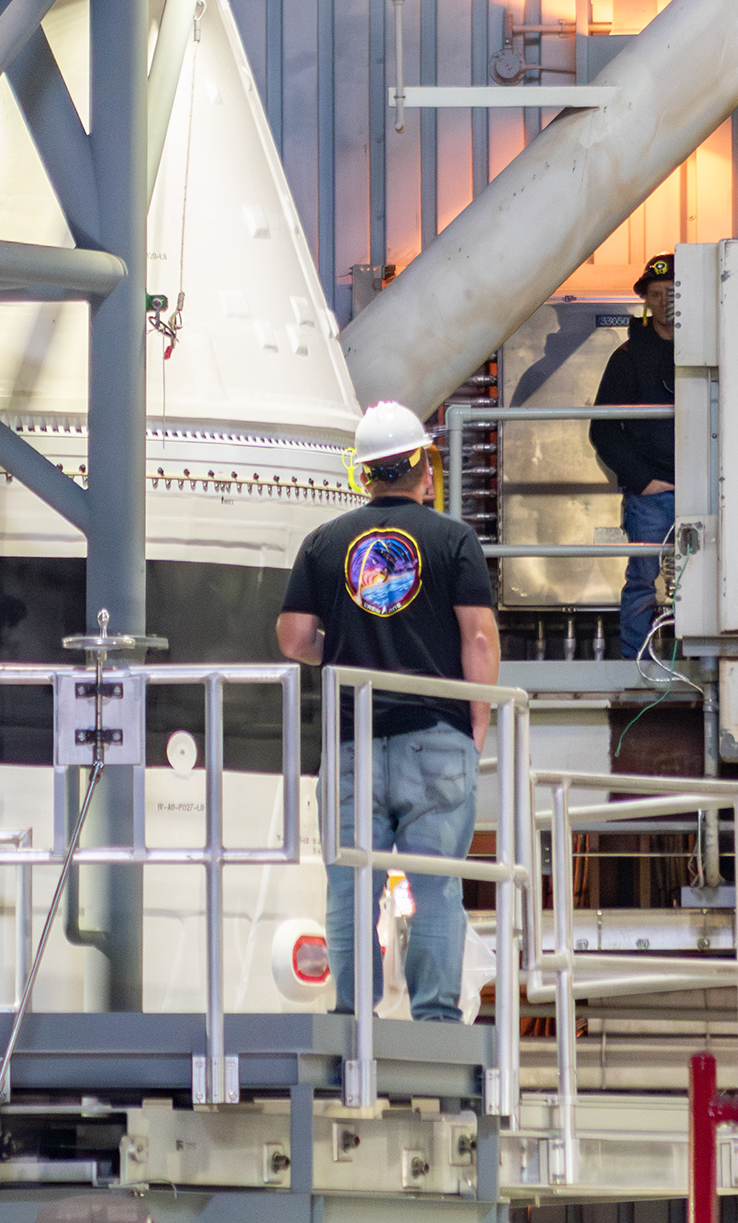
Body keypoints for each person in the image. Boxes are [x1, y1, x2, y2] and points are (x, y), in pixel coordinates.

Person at [281, 399, 501, 1023]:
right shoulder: (453, 539)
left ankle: (353, 1016)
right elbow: (479, 639)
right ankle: (433, 1018)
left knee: (352, 887)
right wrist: (475, 723)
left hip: (352, 743)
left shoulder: (325, 542)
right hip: (437, 735)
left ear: (365, 473)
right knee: (433, 887)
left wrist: (341, 648)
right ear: (423, 468)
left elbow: (295, 638)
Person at [589, 256, 681, 662]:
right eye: (656, 295)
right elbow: (603, 429)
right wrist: (644, 481)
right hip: (653, 495)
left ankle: (705, 665)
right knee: (643, 581)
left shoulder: (715, 353)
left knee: (712, 578)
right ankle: (635, 667)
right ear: (646, 302)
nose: (664, 302)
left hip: (711, 490)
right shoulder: (627, 358)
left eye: (673, 293)